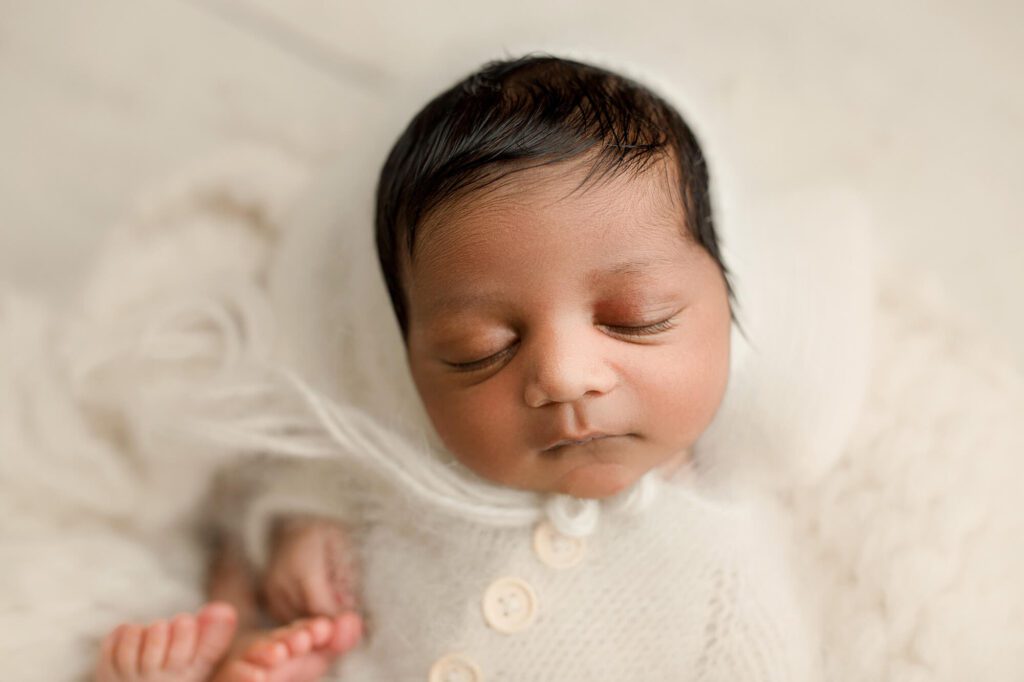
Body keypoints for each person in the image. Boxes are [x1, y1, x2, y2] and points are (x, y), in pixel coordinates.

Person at [94, 54, 817, 681]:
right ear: (407, 362)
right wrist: (284, 557)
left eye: (636, 318)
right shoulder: (388, 476)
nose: (564, 376)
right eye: (481, 350)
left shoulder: (722, 578)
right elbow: (252, 523)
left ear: (731, 303)